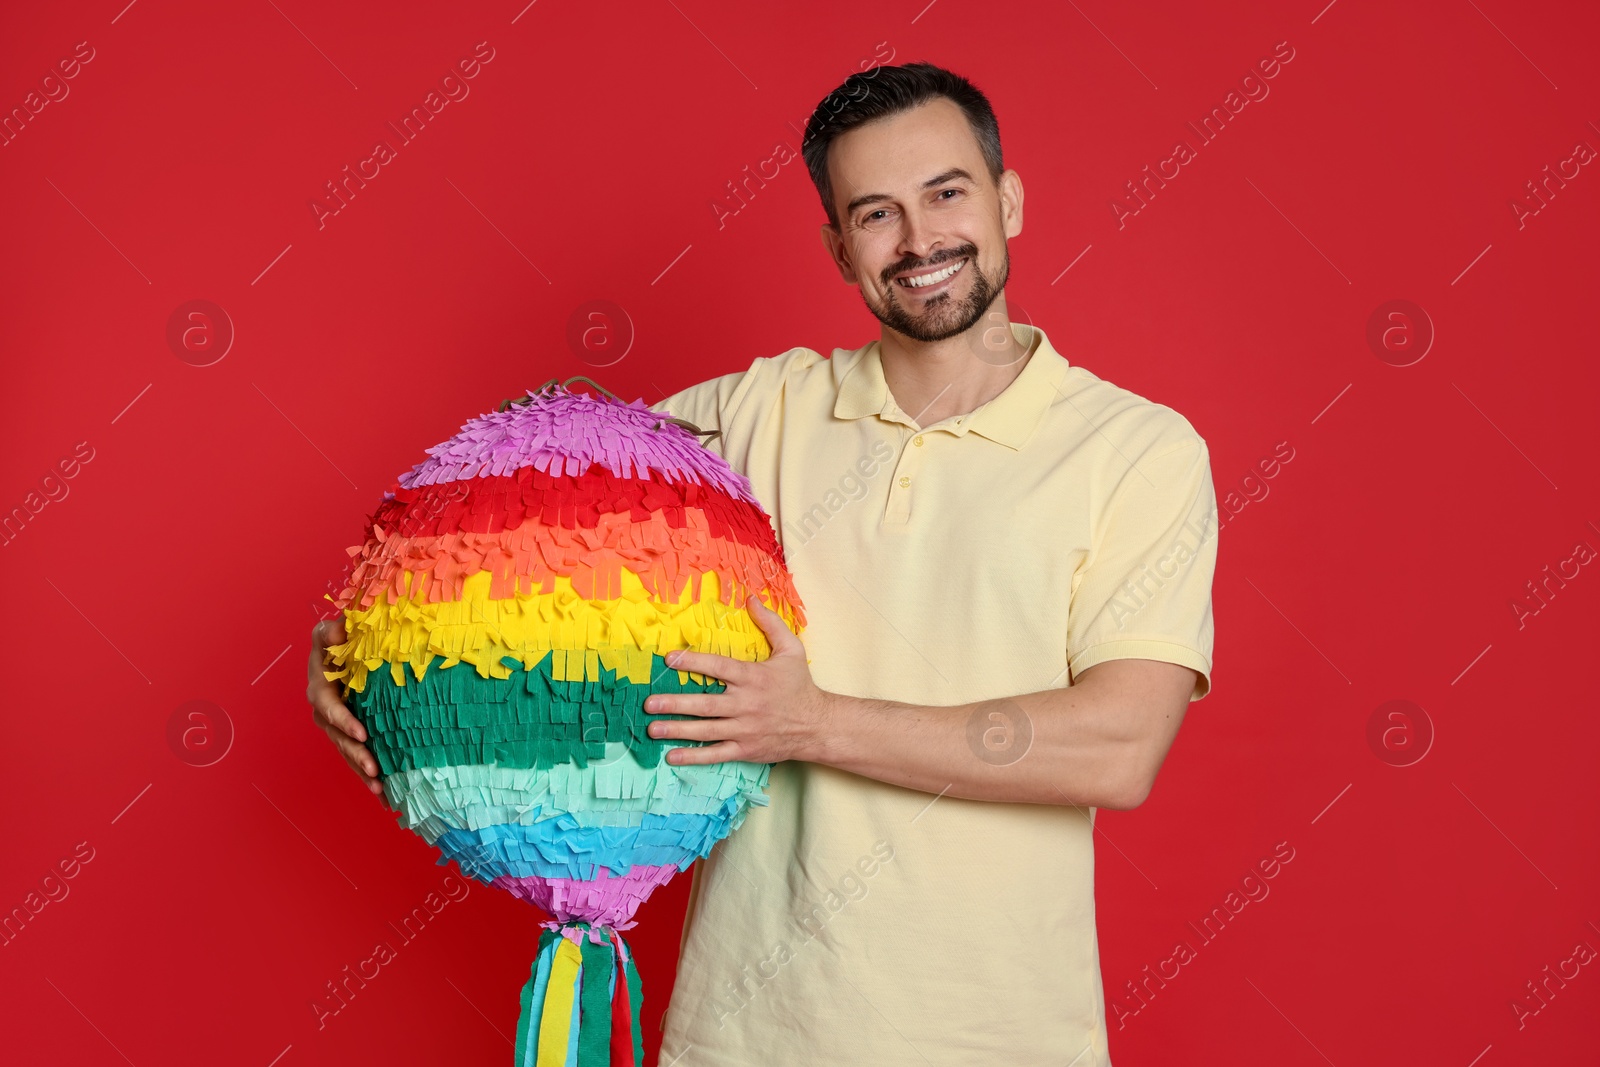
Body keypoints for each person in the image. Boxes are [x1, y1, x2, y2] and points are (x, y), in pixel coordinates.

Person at [307, 61, 1218, 1066]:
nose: (919, 241)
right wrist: (366, 653)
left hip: (997, 1038)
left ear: (1006, 199)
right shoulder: (751, 415)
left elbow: (1117, 746)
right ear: (838, 247)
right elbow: (522, 508)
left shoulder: (1135, 449)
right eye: (876, 213)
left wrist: (813, 720)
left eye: (947, 193)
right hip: (741, 1037)